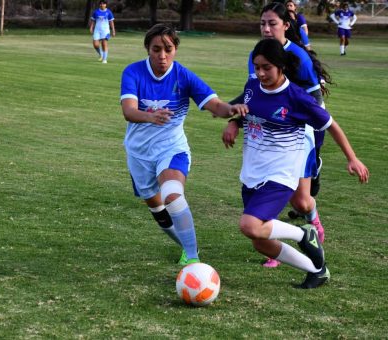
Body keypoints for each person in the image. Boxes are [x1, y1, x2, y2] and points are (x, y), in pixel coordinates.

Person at [230, 38, 369, 289]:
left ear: (281, 66)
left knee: (249, 225)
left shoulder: (296, 97)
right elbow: (245, 108)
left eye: (267, 67)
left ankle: (303, 233)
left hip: (280, 175)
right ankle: (317, 270)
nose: (260, 73)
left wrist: (352, 158)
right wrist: (232, 124)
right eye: (257, 66)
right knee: (260, 241)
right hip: (252, 173)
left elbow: (331, 125)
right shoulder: (252, 86)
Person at [120, 23, 247, 266]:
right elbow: (129, 111)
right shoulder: (133, 72)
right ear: (148, 49)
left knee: (172, 194)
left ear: (176, 49)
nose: (162, 56)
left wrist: (231, 109)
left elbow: (216, 105)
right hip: (139, 153)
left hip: (172, 148)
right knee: (157, 209)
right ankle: (187, 246)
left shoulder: (184, 76)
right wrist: (150, 116)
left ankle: (193, 258)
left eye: (168, 48)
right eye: (156, 49)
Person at [223, 2, 331, 268]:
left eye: (272, 23)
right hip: (270, 133)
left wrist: (311, 145)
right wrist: (233, 116)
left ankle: (312, 224)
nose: (267, 28)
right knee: (268, 183)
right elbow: (255, 96)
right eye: (262, 23)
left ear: (285, 25)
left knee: (302, 202)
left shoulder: (299, 57)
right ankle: (276, 250)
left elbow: (316, 100)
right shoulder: (257, 53)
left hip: (300, 132)